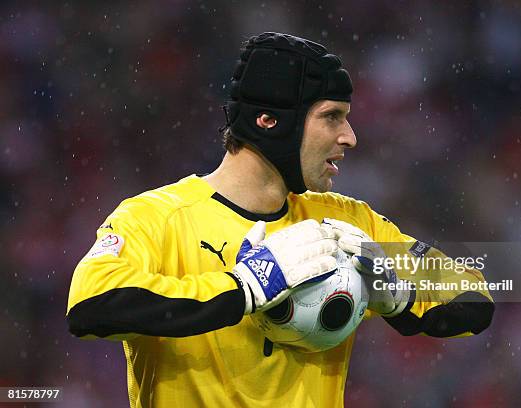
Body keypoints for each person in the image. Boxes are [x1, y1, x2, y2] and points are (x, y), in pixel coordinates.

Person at [67, 32, 494, 407]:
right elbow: (89, 308)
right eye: (332, 116)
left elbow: (475, 298)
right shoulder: (157, 218)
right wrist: (246, 287)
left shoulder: (348, 224)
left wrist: (397, 297)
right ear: (270, 121)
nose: (350, 136)